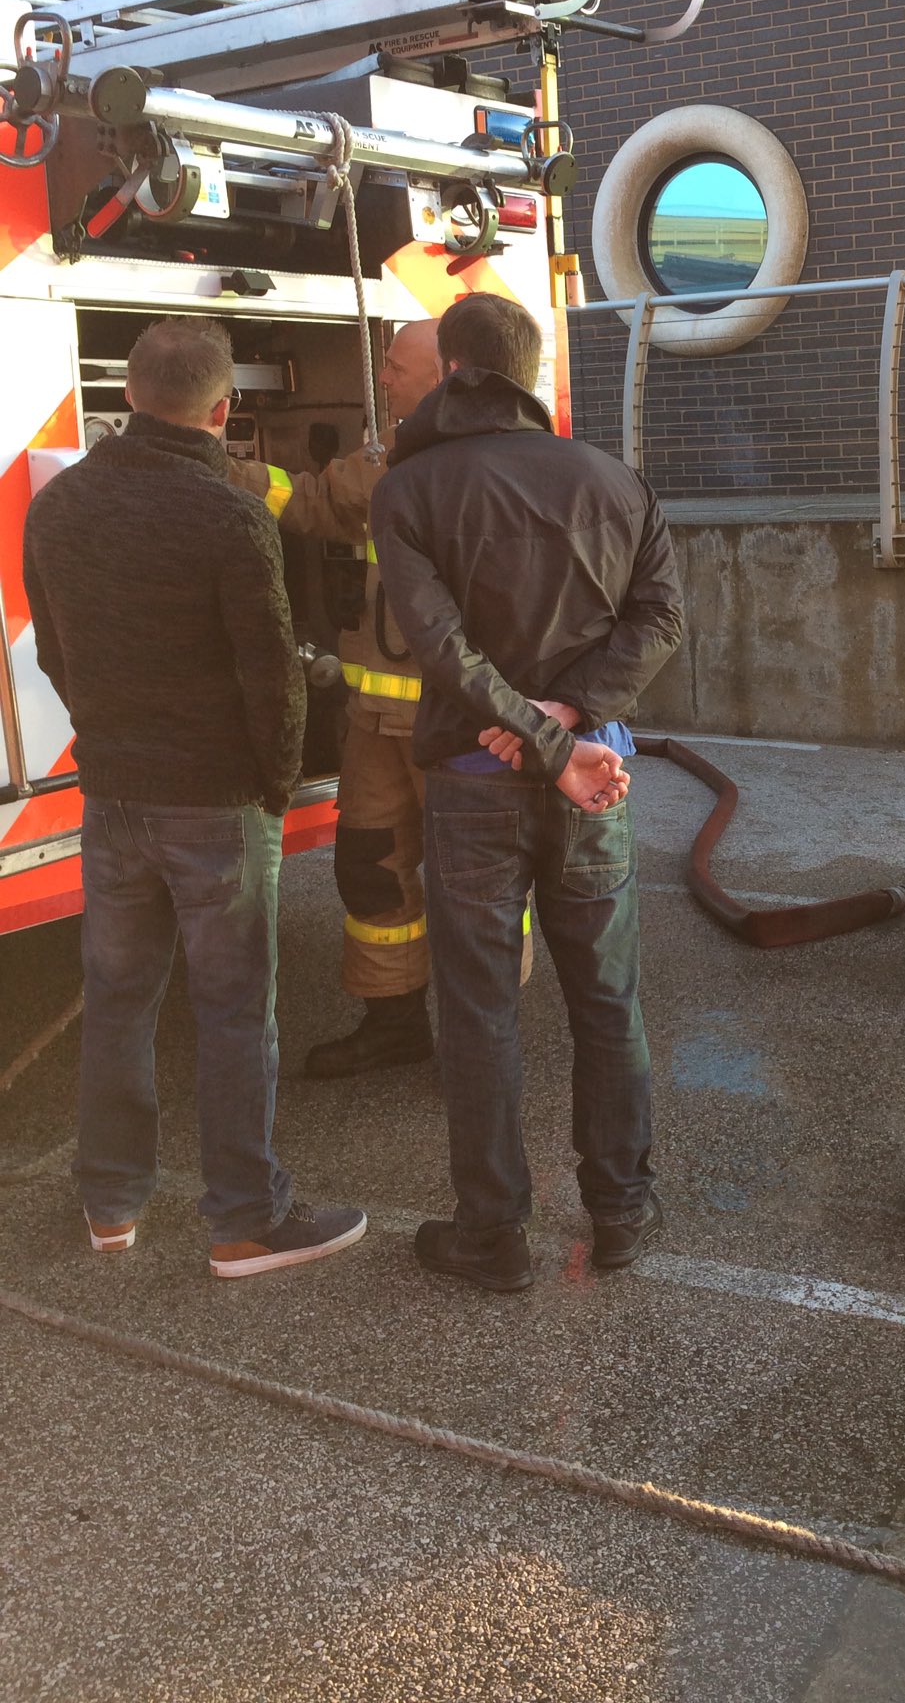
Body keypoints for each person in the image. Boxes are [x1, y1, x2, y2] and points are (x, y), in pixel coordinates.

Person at [21, 316, 365, 1277]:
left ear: (129, 395)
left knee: (119, 1000)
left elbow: (53, 648)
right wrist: (276, 781)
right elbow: (274, 676)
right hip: (214, 798)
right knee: (230, 1008)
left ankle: (111, 1205)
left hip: (115, 790)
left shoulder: (61, 507)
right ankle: (246, 1220)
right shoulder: (229, 514)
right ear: (225, 410)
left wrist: (109, 733)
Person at [370, 292, 685, 1293]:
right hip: (595, 774)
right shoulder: (614, 479)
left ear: (454, 365)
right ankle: (623, 1211)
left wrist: (534, 731)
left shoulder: (408, 488)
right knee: (607, 998)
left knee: (478, 1013)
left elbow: (440, 645)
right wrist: (569, 721)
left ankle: (492, 1233)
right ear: (529, 370)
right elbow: (662, 614)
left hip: (473, 786)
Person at [230, 317, 534, 1078]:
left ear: (450, 372)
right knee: (370, 866)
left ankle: (484, 1044)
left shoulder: (494, 469)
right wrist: (206, 465)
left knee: (477, 887)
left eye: (397, 368)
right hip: (376, 726)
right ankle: (394, 1021)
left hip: (463, 726)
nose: (384, 380)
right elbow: (303, 502)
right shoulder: (385, 463)